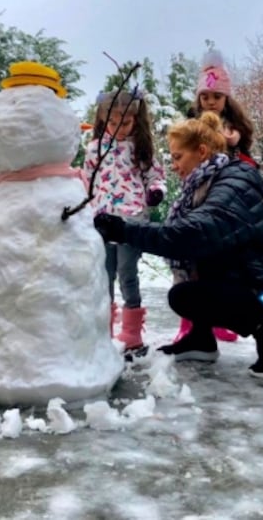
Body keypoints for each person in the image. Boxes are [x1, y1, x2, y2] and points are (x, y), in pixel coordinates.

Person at [93, 111, 263, 378]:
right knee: (189, 288)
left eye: (177, 156)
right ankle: (201, 340)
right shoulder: (201, 187)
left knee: (189, 288)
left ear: (202, 152)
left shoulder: (231, 187)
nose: (173, 165)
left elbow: (192, 234)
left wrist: (123, 230)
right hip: (252, 280)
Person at [173, 49, 258, 345]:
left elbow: (244, 158)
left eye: (217, 96)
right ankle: (189, 324)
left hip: (225, 203)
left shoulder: (234, 130)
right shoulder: (191, 128)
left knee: (221, 265)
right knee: (190, 262)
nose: (210, 101)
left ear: (226, 99)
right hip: (196, 199)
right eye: (205, 96)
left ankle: (220, 318)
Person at [84, 89, 166, 354]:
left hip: (131, 221)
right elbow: (87, 180)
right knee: (103, 275)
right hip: (101, 221)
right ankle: (102, 328)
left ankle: (131, 332)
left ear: (135, 119)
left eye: (126, 122)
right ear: (102, 120)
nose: (119, 128)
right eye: (112, 122)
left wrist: (155, 192)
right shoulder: (94, 148)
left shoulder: (141, 147)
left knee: (127, 273)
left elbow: (155, 176)